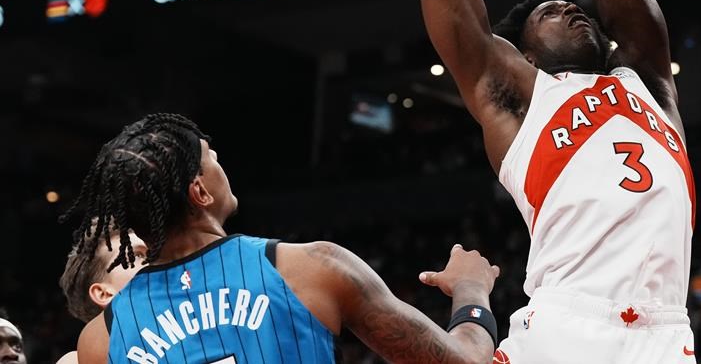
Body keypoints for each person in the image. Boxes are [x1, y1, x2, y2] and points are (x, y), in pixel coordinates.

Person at [391, 0, 697, 363]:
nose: (571, 9)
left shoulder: (649, 83)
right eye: (550, 13)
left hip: (665, 335)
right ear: (524, 53)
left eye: (570, 5)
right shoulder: (515, 96)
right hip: (566, 326)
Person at [62, 113, 501, 364]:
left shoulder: (100, 340)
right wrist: (471, 289)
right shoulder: (311, 267)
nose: (220, 163)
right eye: (211, 158)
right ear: (200, 190)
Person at [55, 228, 148, 364]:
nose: (156, 260)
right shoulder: (78, 360)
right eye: (138, 255)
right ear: (103, 293)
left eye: (155, 252)